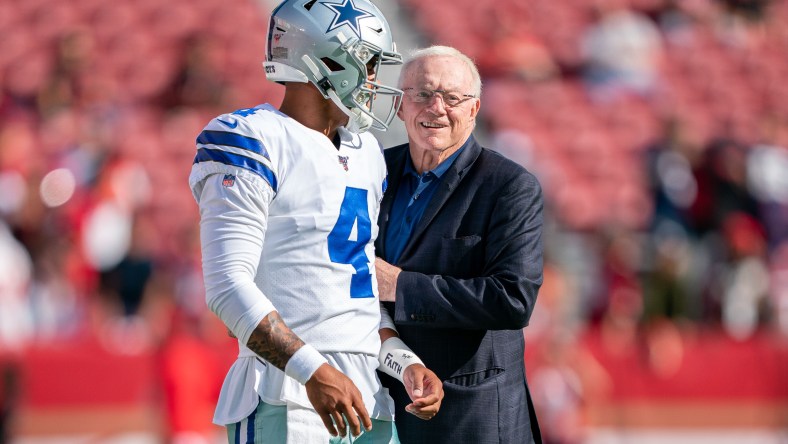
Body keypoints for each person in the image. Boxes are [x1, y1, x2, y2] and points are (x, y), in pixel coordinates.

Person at [188, 1, 442, 442]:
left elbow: (353, 294)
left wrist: (405, 363)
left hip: (367, 397)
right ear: (326, 60)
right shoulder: (253, 138)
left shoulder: (366, 155)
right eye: (367, 62)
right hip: (287, 391)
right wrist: (313, 370)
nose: (375, 79)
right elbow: (228, 286)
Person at [375, 45, 545, 443]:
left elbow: (513, 299)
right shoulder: (373, 170)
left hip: (471, 416)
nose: (435, 108)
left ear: (474, 109)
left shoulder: (509, 187)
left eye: (452, 97)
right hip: (377, 403)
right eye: (421, 94)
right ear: (400, 105)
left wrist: (400, 287)